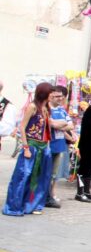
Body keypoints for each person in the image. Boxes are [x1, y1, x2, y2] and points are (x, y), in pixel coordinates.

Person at [3, 82, 53, 216]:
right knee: (23, 176)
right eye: (50, 92)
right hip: (31, 146)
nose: (52, 95)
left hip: (43, 147)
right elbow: (22, 127)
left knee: (39, 178)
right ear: (44, 93)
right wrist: (25, 147)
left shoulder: (46, 108)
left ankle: (32, 204)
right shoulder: (32, 107)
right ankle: (15, 205)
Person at [46, 85, 76, 209]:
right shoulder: (46, 109)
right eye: (57, 96)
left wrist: (60, 125)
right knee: (44, 172)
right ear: (51, 96)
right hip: (48, 145)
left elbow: (71, 125)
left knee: (54, 174)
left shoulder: (62, 110)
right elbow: (50, 124)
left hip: (59, 145)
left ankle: (51, 194)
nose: (60, 99)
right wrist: (62, 124)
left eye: (61, 96)